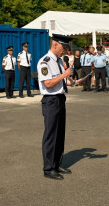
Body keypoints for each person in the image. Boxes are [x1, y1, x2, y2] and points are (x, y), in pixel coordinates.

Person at [37, 33, 82, 180]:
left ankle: (56, 164)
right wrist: (65, 75)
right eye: (64, 47)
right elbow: (48, 83)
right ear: (55, 44)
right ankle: (48, 168)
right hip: (51, 101)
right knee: (51, 135)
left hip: (60, 99)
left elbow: (62, 81)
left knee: (60, 134)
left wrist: (74, 82)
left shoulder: (58, 61)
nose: (65, 50)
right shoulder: (44, 61)